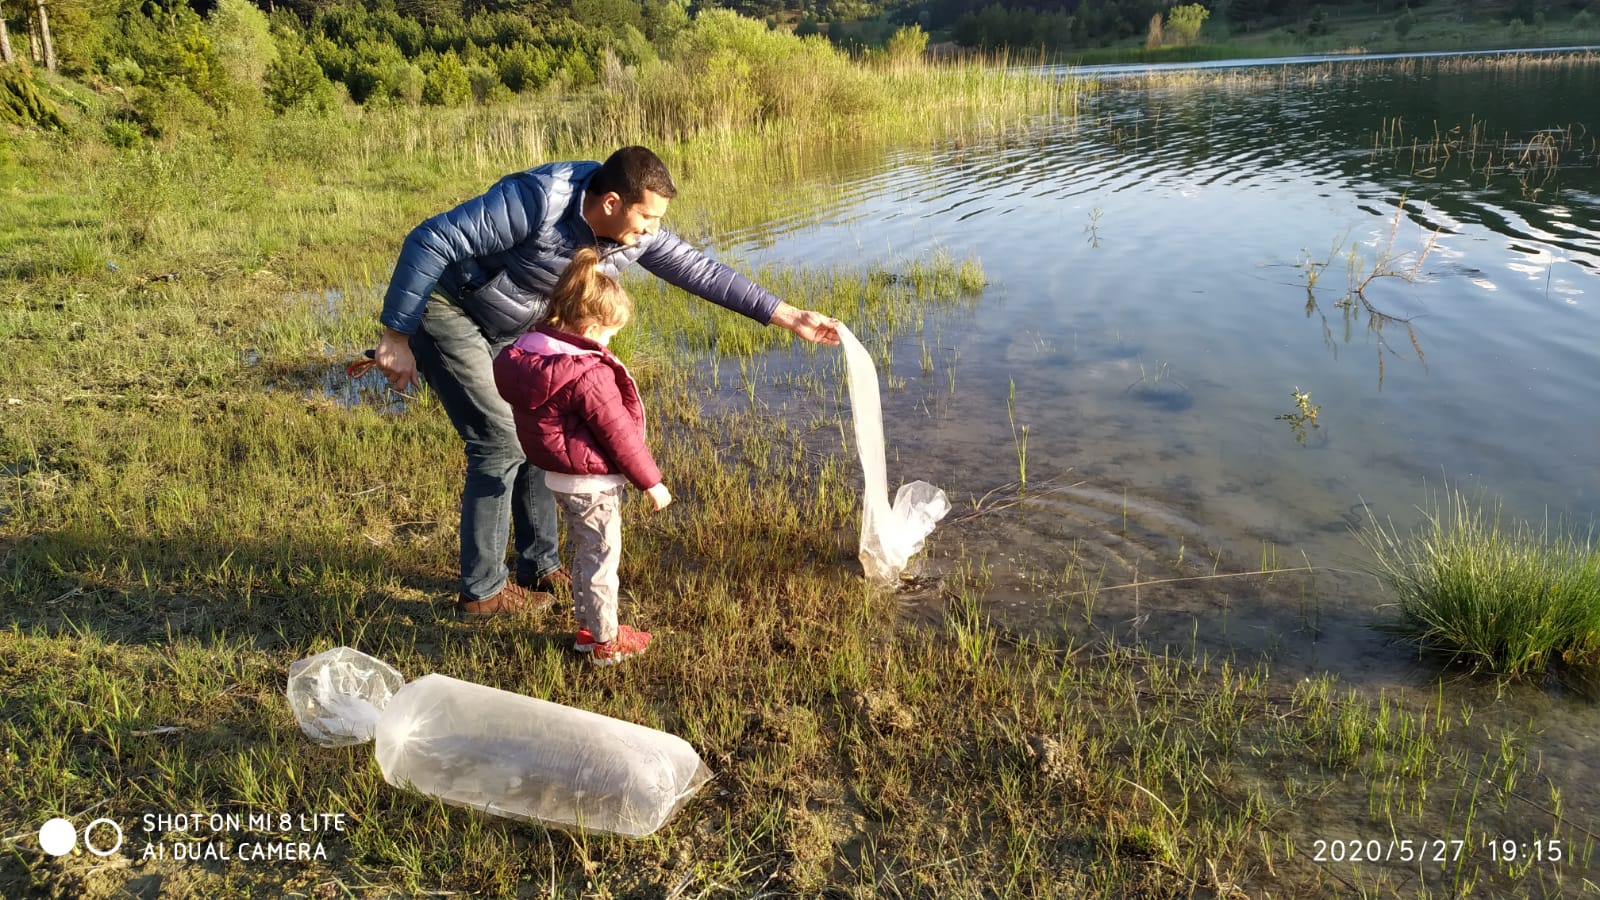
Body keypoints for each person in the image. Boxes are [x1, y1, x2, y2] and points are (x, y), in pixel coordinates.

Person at [373, 146, 840, 617]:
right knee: (499, 440)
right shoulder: (538, 200)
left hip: (514, 328)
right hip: (450, 308)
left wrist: (789, 316)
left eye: (659, 220)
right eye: (647, 217)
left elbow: (702, 272)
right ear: (612, 202)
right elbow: (432, 238)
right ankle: (482, 594)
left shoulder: (634, 235)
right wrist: (396, 335)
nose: (653, 231)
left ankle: (539, 566)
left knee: (541, 428)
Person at [493, 248, 662, 664]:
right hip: (593, 484)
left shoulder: (532, 353)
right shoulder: (587, 373)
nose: (609, 344)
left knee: (586, 553)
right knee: (602, 558)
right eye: (609, 335)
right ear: (589, 328)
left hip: (562, 478)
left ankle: (589, 629)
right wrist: (651, 482)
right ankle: (605, 642)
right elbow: (619, 435)